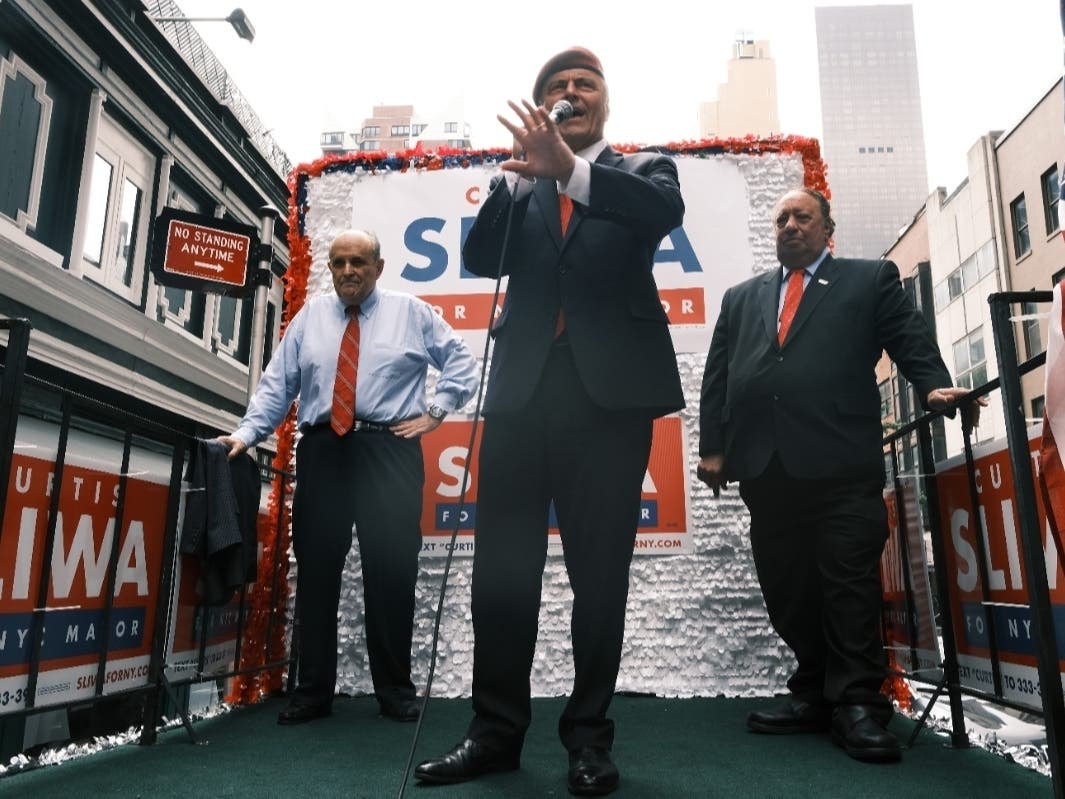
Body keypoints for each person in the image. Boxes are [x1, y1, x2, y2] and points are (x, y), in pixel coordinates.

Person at [414, 47, 684, 796]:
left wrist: (568, 170)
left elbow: (660, 214)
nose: (570, 93)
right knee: (502, 572)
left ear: (603, 101)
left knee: (600, 577)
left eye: (583, 84)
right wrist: (513, 179)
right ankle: (494, 732)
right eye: (557, 87)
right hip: (521, 398)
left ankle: (588, 739)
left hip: (608, 402)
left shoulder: (642, 171)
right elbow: (479, 257)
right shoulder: (520, 182)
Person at [697, 188, 980, 763]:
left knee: (848, 585)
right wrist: (714, 448)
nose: (790, 225)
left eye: (802, 216)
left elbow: (908, 337)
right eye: (781, 218)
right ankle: (814, 693)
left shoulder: (868, 279)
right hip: (766, 470)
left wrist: (932, 386)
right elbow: (718, 375)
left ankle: (857, 705)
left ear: (828, 229)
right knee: (787, 589)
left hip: (841, 467)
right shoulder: (741, 298)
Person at [219, 229, 478, 726]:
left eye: (358, 262)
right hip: (324, 451)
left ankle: (395, 693)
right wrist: (246, 435)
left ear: (378, 267)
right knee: (317, 571)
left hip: (389, 450)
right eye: (338, 263)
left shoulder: (411, 313)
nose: (347, 272)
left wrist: (436, 412)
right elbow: (278, 385)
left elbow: (461, 363)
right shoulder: (310, 318)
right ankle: (312, 693)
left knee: (392, 571)